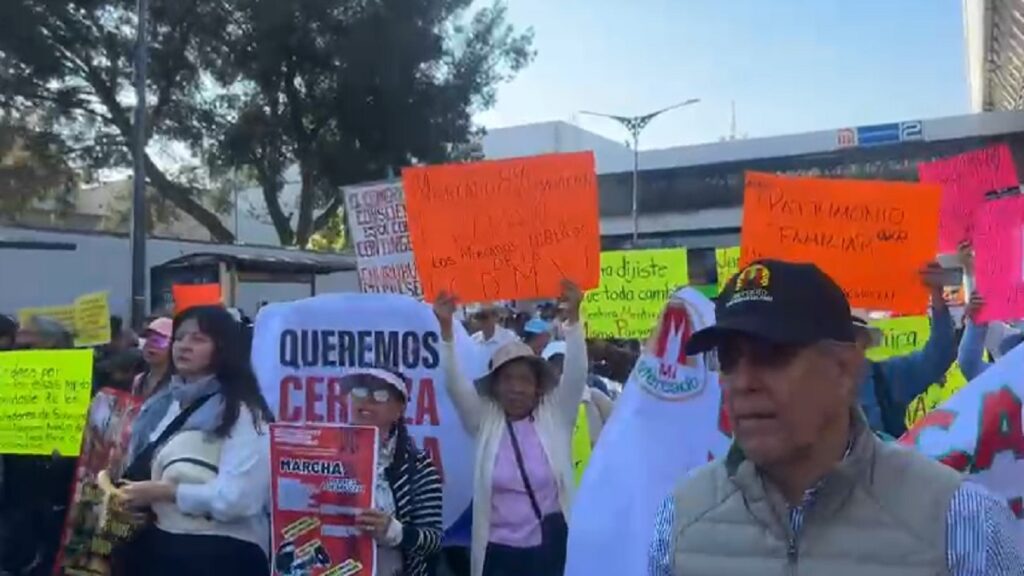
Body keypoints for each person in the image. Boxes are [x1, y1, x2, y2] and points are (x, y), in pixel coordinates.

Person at [648, 259, 1024, 576]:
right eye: (728, 358)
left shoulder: (960, 521)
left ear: (844, 368)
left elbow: (936, 356)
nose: (743, 382)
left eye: (772, 353)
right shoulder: (681, 520)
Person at [435, 281, 587, 576]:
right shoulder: (484, 421)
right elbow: (454, 384)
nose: (516, 389)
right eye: (508, 379)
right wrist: (446, 332)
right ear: (495, 385)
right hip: (498, 555)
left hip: (550, 551)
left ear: (538, 386)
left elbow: (577, 373)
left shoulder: (555, 417)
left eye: (524, 380)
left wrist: (573, 321)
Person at [116, 305, 274, 576]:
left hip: (220, 555)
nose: (183, 346)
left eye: (198, 339)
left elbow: (240, 499)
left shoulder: (244, 412)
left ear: (224, 348)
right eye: (179, 338)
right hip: (159, 548)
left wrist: (167, 493)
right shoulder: (163, 405)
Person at [341, 367, 444, 576]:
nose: (367, 400)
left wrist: (395, 532)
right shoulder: (323, 454)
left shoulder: (419, 467)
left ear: (399, 409)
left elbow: (433, 540)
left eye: (380, 394)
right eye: (360, 392)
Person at [2, 315, 77, 575]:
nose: (17, 354)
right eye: (16, 347)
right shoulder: (9, 381)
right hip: (16, 504)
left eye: (27, 347)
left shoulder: (84, 385)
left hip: (62, 504)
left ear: (56, 347)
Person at [852, 263, 955, 437]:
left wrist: (936, 297)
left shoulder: (886, 376)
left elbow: (938, 357)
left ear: (864, 342)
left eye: (852, 336)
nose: (844, 347)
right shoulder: (809, 386)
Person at [542, 341, 613, 448]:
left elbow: (620, 426)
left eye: (566, 364)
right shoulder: (540, 404)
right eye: (555, 365)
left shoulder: (595, 397)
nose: (560, 370)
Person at [133, 317, 174, 398]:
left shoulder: (178, 384)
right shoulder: (138, 380)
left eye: (159, 340)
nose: (151, 345)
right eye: (148, 338)